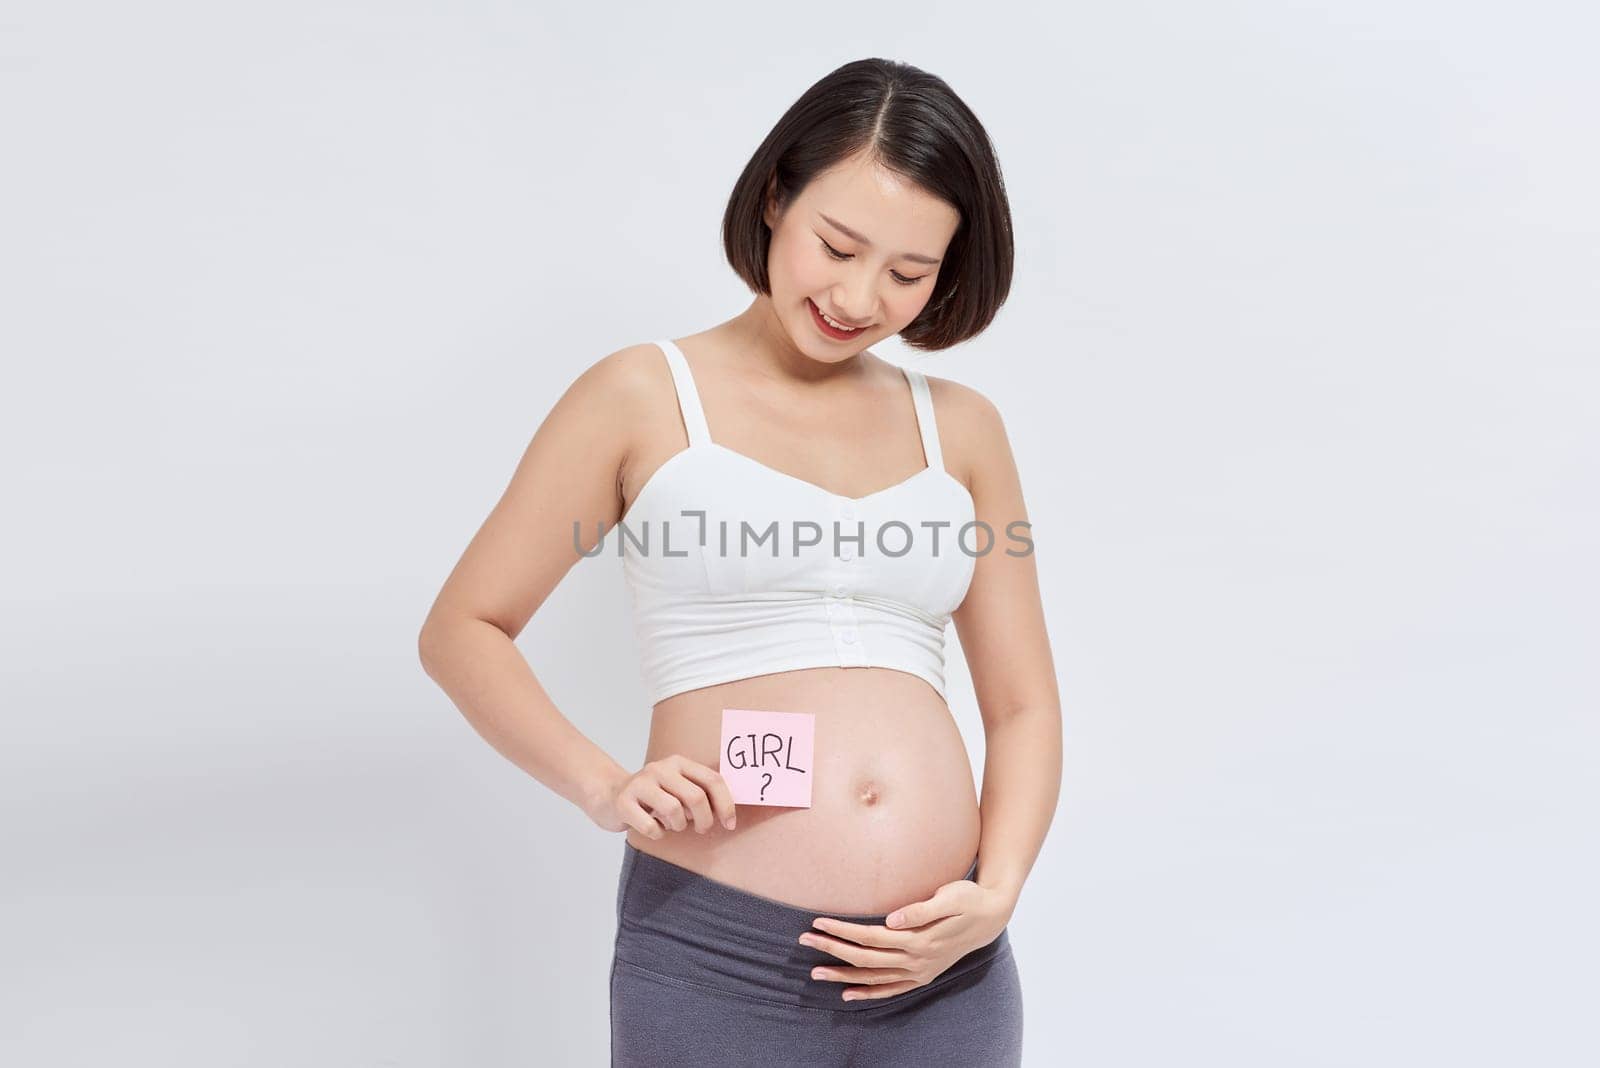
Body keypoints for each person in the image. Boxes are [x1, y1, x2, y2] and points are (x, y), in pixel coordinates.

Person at [419, 57, 1062, 1067]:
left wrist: (997, 892)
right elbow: (464, 629)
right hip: (720, 955)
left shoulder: (963, 430)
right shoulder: (640, 393)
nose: (858, 296)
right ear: (774, 198)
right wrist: (600, 784)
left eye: (907, 273)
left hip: (944, 970)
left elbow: (1022, 704)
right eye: (836, 246)